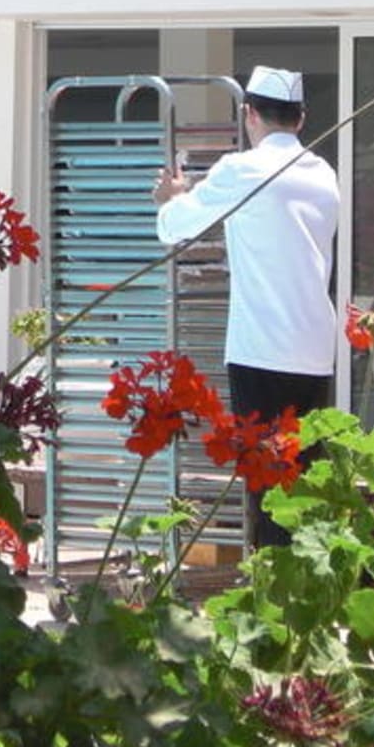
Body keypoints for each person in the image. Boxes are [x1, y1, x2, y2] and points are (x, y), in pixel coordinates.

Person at [151, 65, 342, 547]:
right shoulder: (324, 174)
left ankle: (271, 579)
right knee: (305, 477)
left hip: (260, 348)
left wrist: (171, 197)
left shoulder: (242, 169)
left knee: (265, 480)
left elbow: (174, 227)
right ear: (301, 118)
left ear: (248, 114)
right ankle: (308, 575)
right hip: (315, 349)